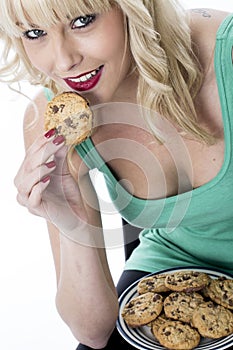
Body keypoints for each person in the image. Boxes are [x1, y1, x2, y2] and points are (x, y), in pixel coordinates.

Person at [0, 0, 233, 349]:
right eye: (35, 33)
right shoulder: (52, 123)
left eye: (82, 21)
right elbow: (93, 333)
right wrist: (71, 219)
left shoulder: (225, 59)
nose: (63, 61)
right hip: (170, 268)